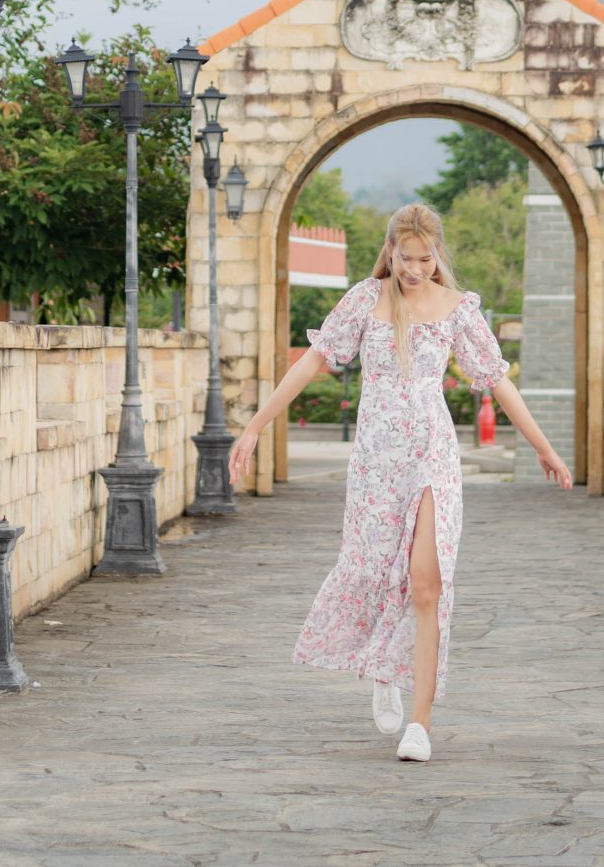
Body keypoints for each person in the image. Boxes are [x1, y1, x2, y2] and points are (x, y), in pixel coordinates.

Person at [229, 202, 573, 762]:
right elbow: (310, 364)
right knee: (371, 570)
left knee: (425, 584)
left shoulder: (458, 309)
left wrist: (545, 448)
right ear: (389, 250)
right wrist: (254, 429)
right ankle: (384, 669)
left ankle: (421, 722)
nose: (413, 269)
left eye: (424, 258)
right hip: (376, 460)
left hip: (432, 455)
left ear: (438, 256)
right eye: (404, 257)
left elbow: (498, 384)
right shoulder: (366, 300)